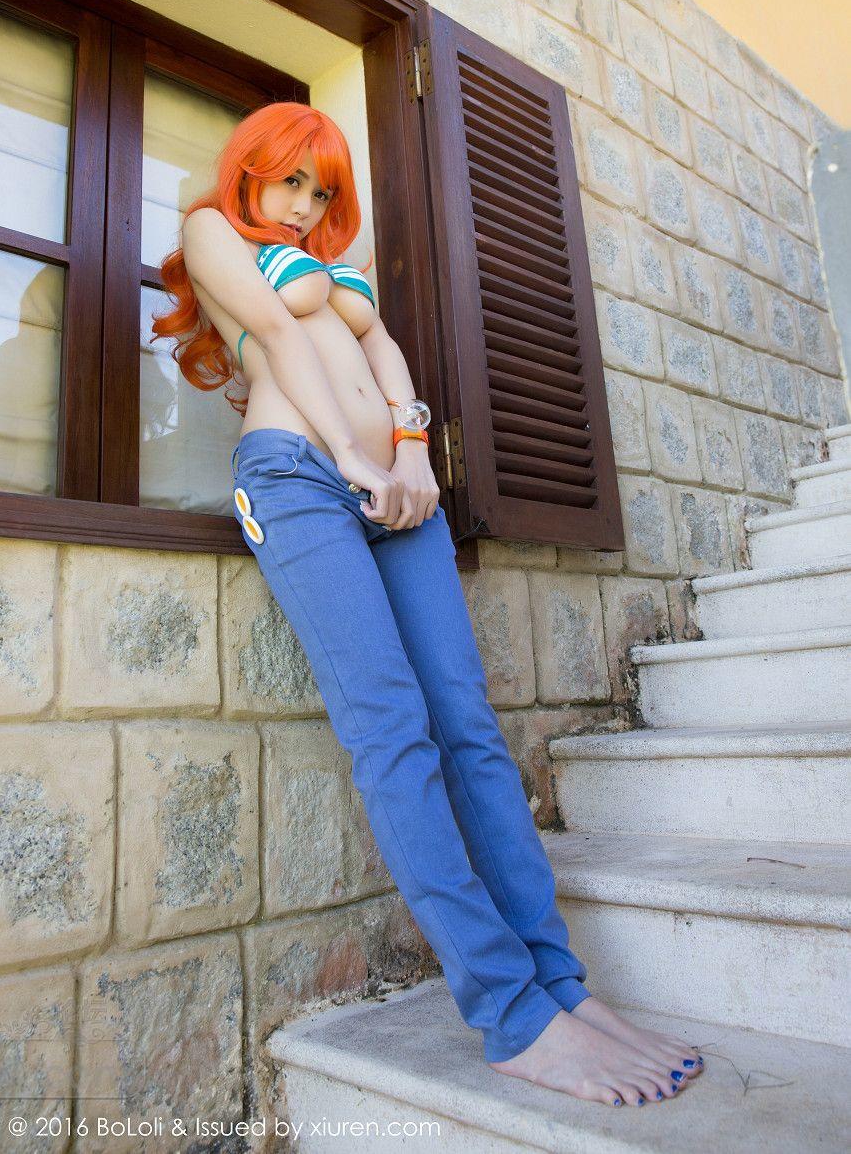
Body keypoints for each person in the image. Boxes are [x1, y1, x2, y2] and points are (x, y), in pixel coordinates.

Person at [153, 103, 704, 1108]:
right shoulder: (210, 229)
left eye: (321, 189)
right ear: (249, 170)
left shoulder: (331, 266)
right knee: (394, 734)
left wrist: (409, 454)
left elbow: (386, 357)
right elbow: (274, 332)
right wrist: (354, 456)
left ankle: (558, 986)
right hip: (300, 481)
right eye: (289, 179)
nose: (303, 203)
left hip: (398, 493)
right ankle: (512, 1015)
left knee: (469, 729)